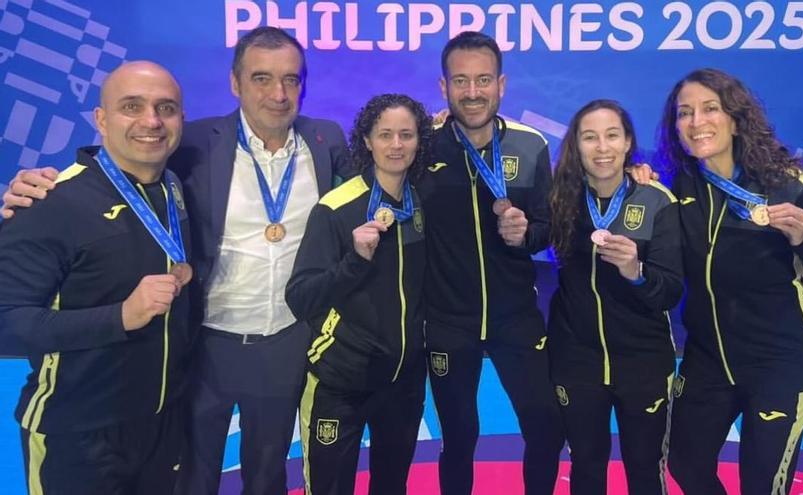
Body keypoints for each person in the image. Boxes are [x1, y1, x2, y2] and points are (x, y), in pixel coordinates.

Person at [2, 26, 352, 495]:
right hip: (202, 346)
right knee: (192, 474)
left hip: (283, 340)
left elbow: (362, 193)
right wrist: (32, 187)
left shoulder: (325, 139)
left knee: (267, 474)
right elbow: (115, 169)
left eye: (291, 79)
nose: (278, 93)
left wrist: (427, 133)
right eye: (262, 78)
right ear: (235, 83)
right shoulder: (191, 143)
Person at [656, 68, 803, 494]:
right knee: (683, 462)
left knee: (763, 485)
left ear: (735, 117)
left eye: (710, 109)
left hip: (779, 366)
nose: (696, 122)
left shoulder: (786, 184)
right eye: (685, 113)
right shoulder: (682, 185)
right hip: (707, 361)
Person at [0, 61, 192, 495]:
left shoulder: (172, 187)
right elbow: (6, 324)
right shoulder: (50, 201)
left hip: (159, 426)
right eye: (132, 106)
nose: (151, 121)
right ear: (101, 119)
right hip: (77, 433)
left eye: (166, 108)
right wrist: (121, 316)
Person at [417, 31, 564, 494]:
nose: (473, 92)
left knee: (545, 428)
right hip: (446, 320)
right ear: (444, 88)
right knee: (458, 437)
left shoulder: (530, 144)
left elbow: (550, 226)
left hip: (516, 317)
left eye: (483, 80)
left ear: (501, 85)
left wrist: (527, 236)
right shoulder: (422, 148)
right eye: (461, 81)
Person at [286, 93, 431, 495]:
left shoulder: (422, 203)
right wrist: (354, 261)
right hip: (340, 381)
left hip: (402, 381)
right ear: (366, 140)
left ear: (420, 141)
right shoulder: (336, 207)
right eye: (385, 135)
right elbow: (300, 297)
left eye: (406, 134)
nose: (396, 145)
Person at [547, 99, 683, 494]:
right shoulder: (560, 198)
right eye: (590, 137)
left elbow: (671, 291)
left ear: (627, 143)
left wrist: (636, 273)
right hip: (576, 362)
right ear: (576, 144)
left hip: (644, 363)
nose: (602, 147)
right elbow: (526, 239)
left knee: (644, 468)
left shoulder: (657, 199)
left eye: (612, 136)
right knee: (586, 467)